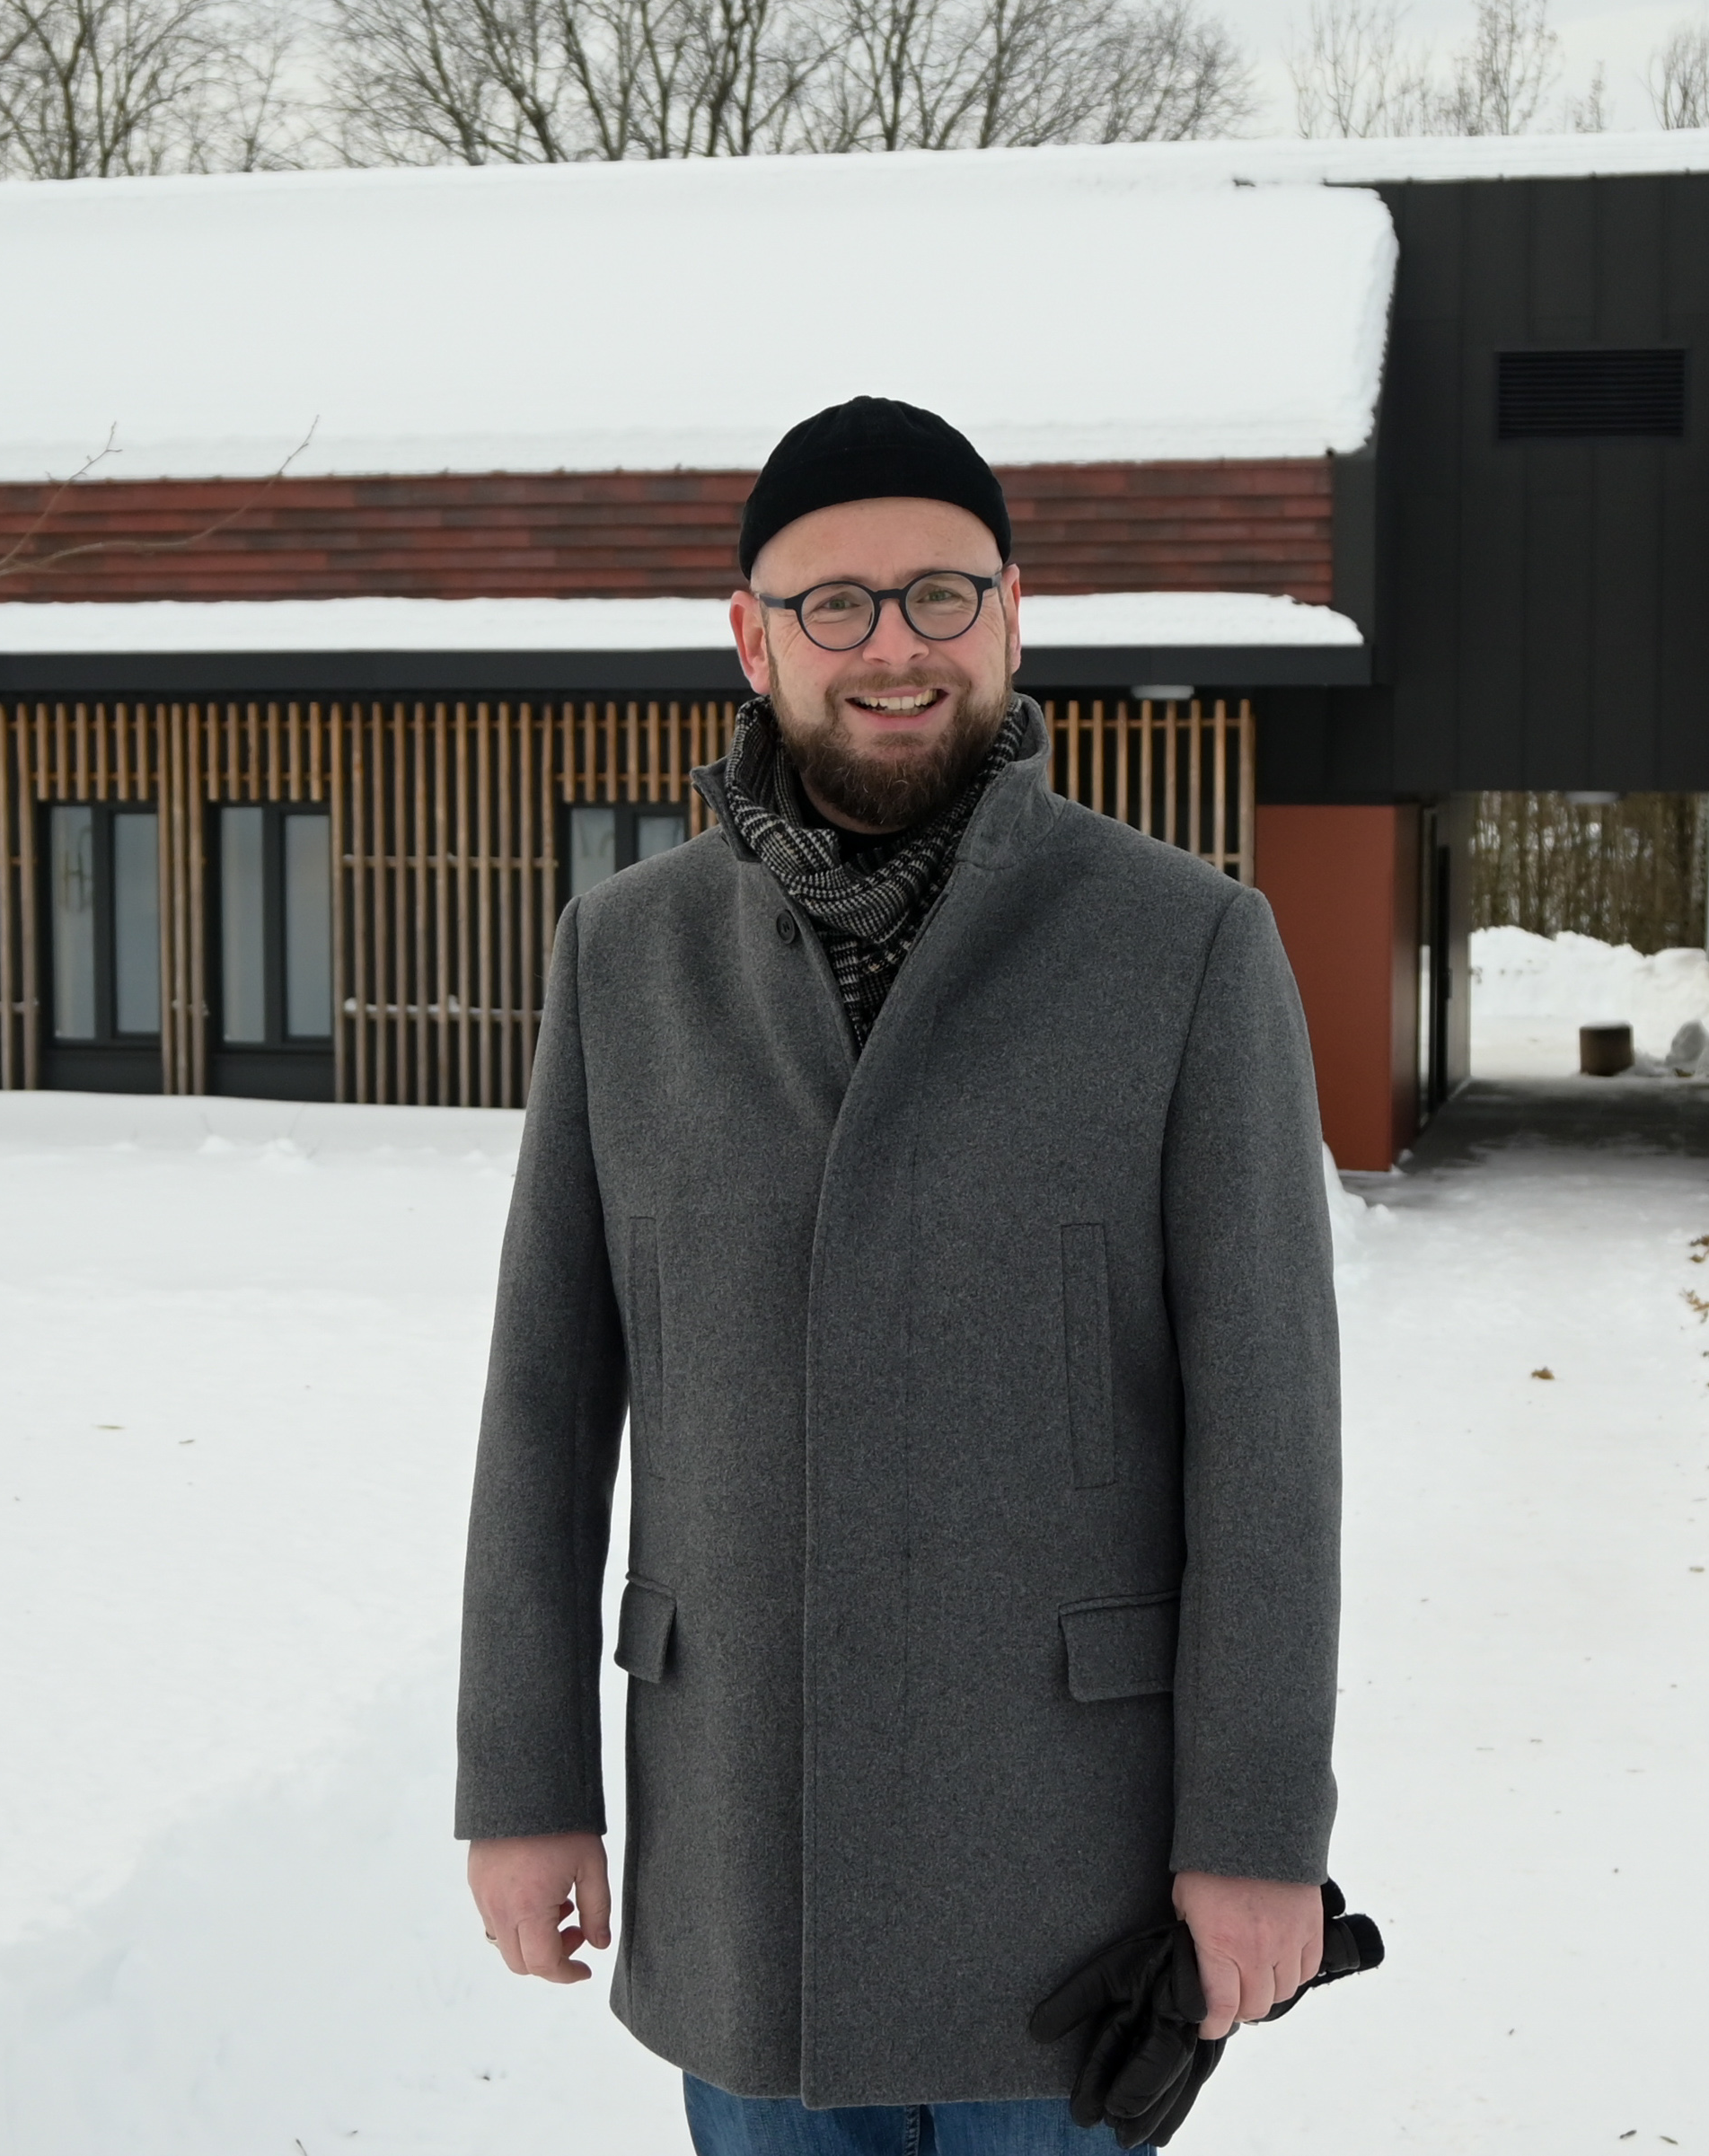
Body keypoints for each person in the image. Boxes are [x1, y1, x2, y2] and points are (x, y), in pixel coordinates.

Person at [454, 397, 1344, 2155]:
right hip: (742, 1846)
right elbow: (546, 1402)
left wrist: (1255, 1829)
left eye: (938, 594)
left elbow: (1267, 1432)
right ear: (751, 635)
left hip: (1065, 1877)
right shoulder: (625, 958)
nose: (892, 647)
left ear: (1013, 612)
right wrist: (525, 1784)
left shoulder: (1181, 945)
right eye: (835, 602)